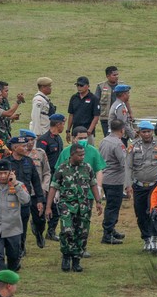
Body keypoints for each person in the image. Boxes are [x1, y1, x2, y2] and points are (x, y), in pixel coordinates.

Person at [46, 143, 103, 273]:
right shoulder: (62, 168)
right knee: (67, 231)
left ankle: (76, 259)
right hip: (67, 205)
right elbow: (53, 187)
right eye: (80, 155)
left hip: (83, 206)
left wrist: (98, 201)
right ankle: (66, 256)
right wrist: (48, 207)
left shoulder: (87, 168)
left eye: (83, 154)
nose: (82, 157)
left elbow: (93, 184)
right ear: (72, 155)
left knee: (82, 233)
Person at [55, 126, 106, 258]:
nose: (83, 140)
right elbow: (57, 174)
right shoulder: (66, 152)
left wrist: (98, 191)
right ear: (73, 138)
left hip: (86, 196)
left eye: (85, 138)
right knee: (68, 225)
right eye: (80, 138)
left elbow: (99, 170)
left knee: (83, 224)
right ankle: (68, 250)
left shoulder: (93, 152)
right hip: (68, 196)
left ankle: (81, 248)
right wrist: (56, 192)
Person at [125, 120, 157, 253]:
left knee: (153, 211)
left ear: (152, 132)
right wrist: (128, 185)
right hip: (139, 185)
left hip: (156, 185)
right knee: (140, 213)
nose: (146, 134)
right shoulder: (133, 146)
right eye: (144, 132)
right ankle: (146, 238)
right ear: (139, 133)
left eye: (149, 132)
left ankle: (154, 239)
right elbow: (128, 166)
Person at [3, 136, 45, 258]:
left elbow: (36, 181)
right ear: (15, 148)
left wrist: (40, 199)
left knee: (23, 223)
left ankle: (21, 246)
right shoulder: (7, 162)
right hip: (10, 199)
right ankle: (11, 246)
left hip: (25, 199)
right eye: (23, 146)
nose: (26, 148)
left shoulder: (29, 161)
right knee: (11, 224)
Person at [37, 113, 66, 242]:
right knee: (45, 203)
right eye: (63, 124)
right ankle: (39, 227)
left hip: (57, 176)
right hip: (47, 177)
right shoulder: (44, 140)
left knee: (56, 205)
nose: (64, 126)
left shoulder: (58, 139)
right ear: (58, 124)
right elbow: (40, 160)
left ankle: (51, 231)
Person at [98, 119, 127, 245]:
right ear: (122, 130)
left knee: (111, 205)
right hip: (115, 179)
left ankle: (111, 229)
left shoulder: (104, 140)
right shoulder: (118, 144)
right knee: (113, 207)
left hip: (105, 177)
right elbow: (124, 162)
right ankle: (108, 233)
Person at [22, 129, 50, 249]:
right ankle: (21, 247)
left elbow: (47, 172)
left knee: (40, 219)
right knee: (21, 222)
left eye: (32, 140)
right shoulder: (17, 154)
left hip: (36, 193)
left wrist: (44, 187)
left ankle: (39, 233)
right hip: (22, 194)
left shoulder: (40, 153)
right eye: (28, 140)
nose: (30, 142)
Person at [66, 76, 100, 146]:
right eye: (77, 85)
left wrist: (90, 130)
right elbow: (71, 115)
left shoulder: (94, 99)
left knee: (89, 152)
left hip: (87, 132)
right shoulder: (74, 98)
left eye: (81, 85)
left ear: (88, 86)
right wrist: (68, 130)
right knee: (75, 152)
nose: (79, 87)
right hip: (75, 132)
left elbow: (96, 116)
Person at [96, 66, 127, 138]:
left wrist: (130, 113)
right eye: (114, 75)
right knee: (108, 137)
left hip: (119, 116)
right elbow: (96, 102)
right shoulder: (101, 86)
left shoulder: (122, 85)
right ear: (108, 76)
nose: (117, 77)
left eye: (117, 74)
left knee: (121, 137)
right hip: (105, 117)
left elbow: (126, 101)